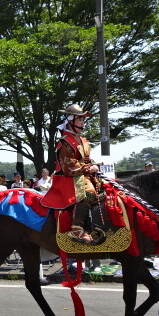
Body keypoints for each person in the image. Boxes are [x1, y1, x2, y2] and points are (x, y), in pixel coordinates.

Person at [43, 104, 101, 244]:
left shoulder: (83, 140)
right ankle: (77, 229)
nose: (82, 122)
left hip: (83, 174)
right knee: (88, 192)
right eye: (79, 119)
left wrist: (94, 165)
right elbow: (69, 166)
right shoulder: (64, 142)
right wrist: (88, 168)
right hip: (68, 177)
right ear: (70, 121)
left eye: (83, 120)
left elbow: (86, 159)